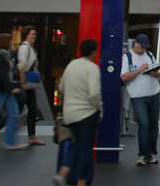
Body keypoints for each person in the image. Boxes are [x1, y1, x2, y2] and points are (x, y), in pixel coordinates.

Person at [53, 39, 103, 186]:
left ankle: (63, 173)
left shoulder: (71, 65)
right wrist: (98, 108)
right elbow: (94, 94)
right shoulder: (92, 68)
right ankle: (81, 183)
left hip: (70, 115)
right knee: (86, 150)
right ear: (93, 52)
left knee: (76, 144)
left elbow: (61, 88)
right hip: (87, 114)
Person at [121, 34, 160, 166]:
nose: (144, 50)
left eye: (146, 47)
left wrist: (154, 73)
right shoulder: (127, 57)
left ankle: (152, 153)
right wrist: (140, 69)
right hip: (138, 96)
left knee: (153, 124)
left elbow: (158, 74)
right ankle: (143, 154)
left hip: (154, 92)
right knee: (144, 124)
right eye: (142, 47)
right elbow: (124, 77)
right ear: (136, 44)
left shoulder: (150, 55)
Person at [17, 26, 46, 145]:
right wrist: (23, 83)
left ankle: (32, 136)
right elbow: (21, 66)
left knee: (32, 109)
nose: (34, 36)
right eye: (32, 34)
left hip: (29, 84)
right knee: (18, 110)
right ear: (26, 35)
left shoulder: (30, 48)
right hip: (25, 83)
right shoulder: (24, 48)